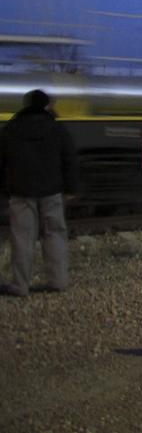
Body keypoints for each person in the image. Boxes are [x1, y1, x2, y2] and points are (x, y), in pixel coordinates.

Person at [1, 89, 77, 297]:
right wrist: (71, 188)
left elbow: (2, 161)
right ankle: (58, 281)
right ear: (45, 106)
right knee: (55, 234)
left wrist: (4, 190)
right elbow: (69, 158)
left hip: (20, 192)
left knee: (22, 238)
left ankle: (20, 285)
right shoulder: (56, 128)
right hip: (52, 192)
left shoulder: (11, 128)